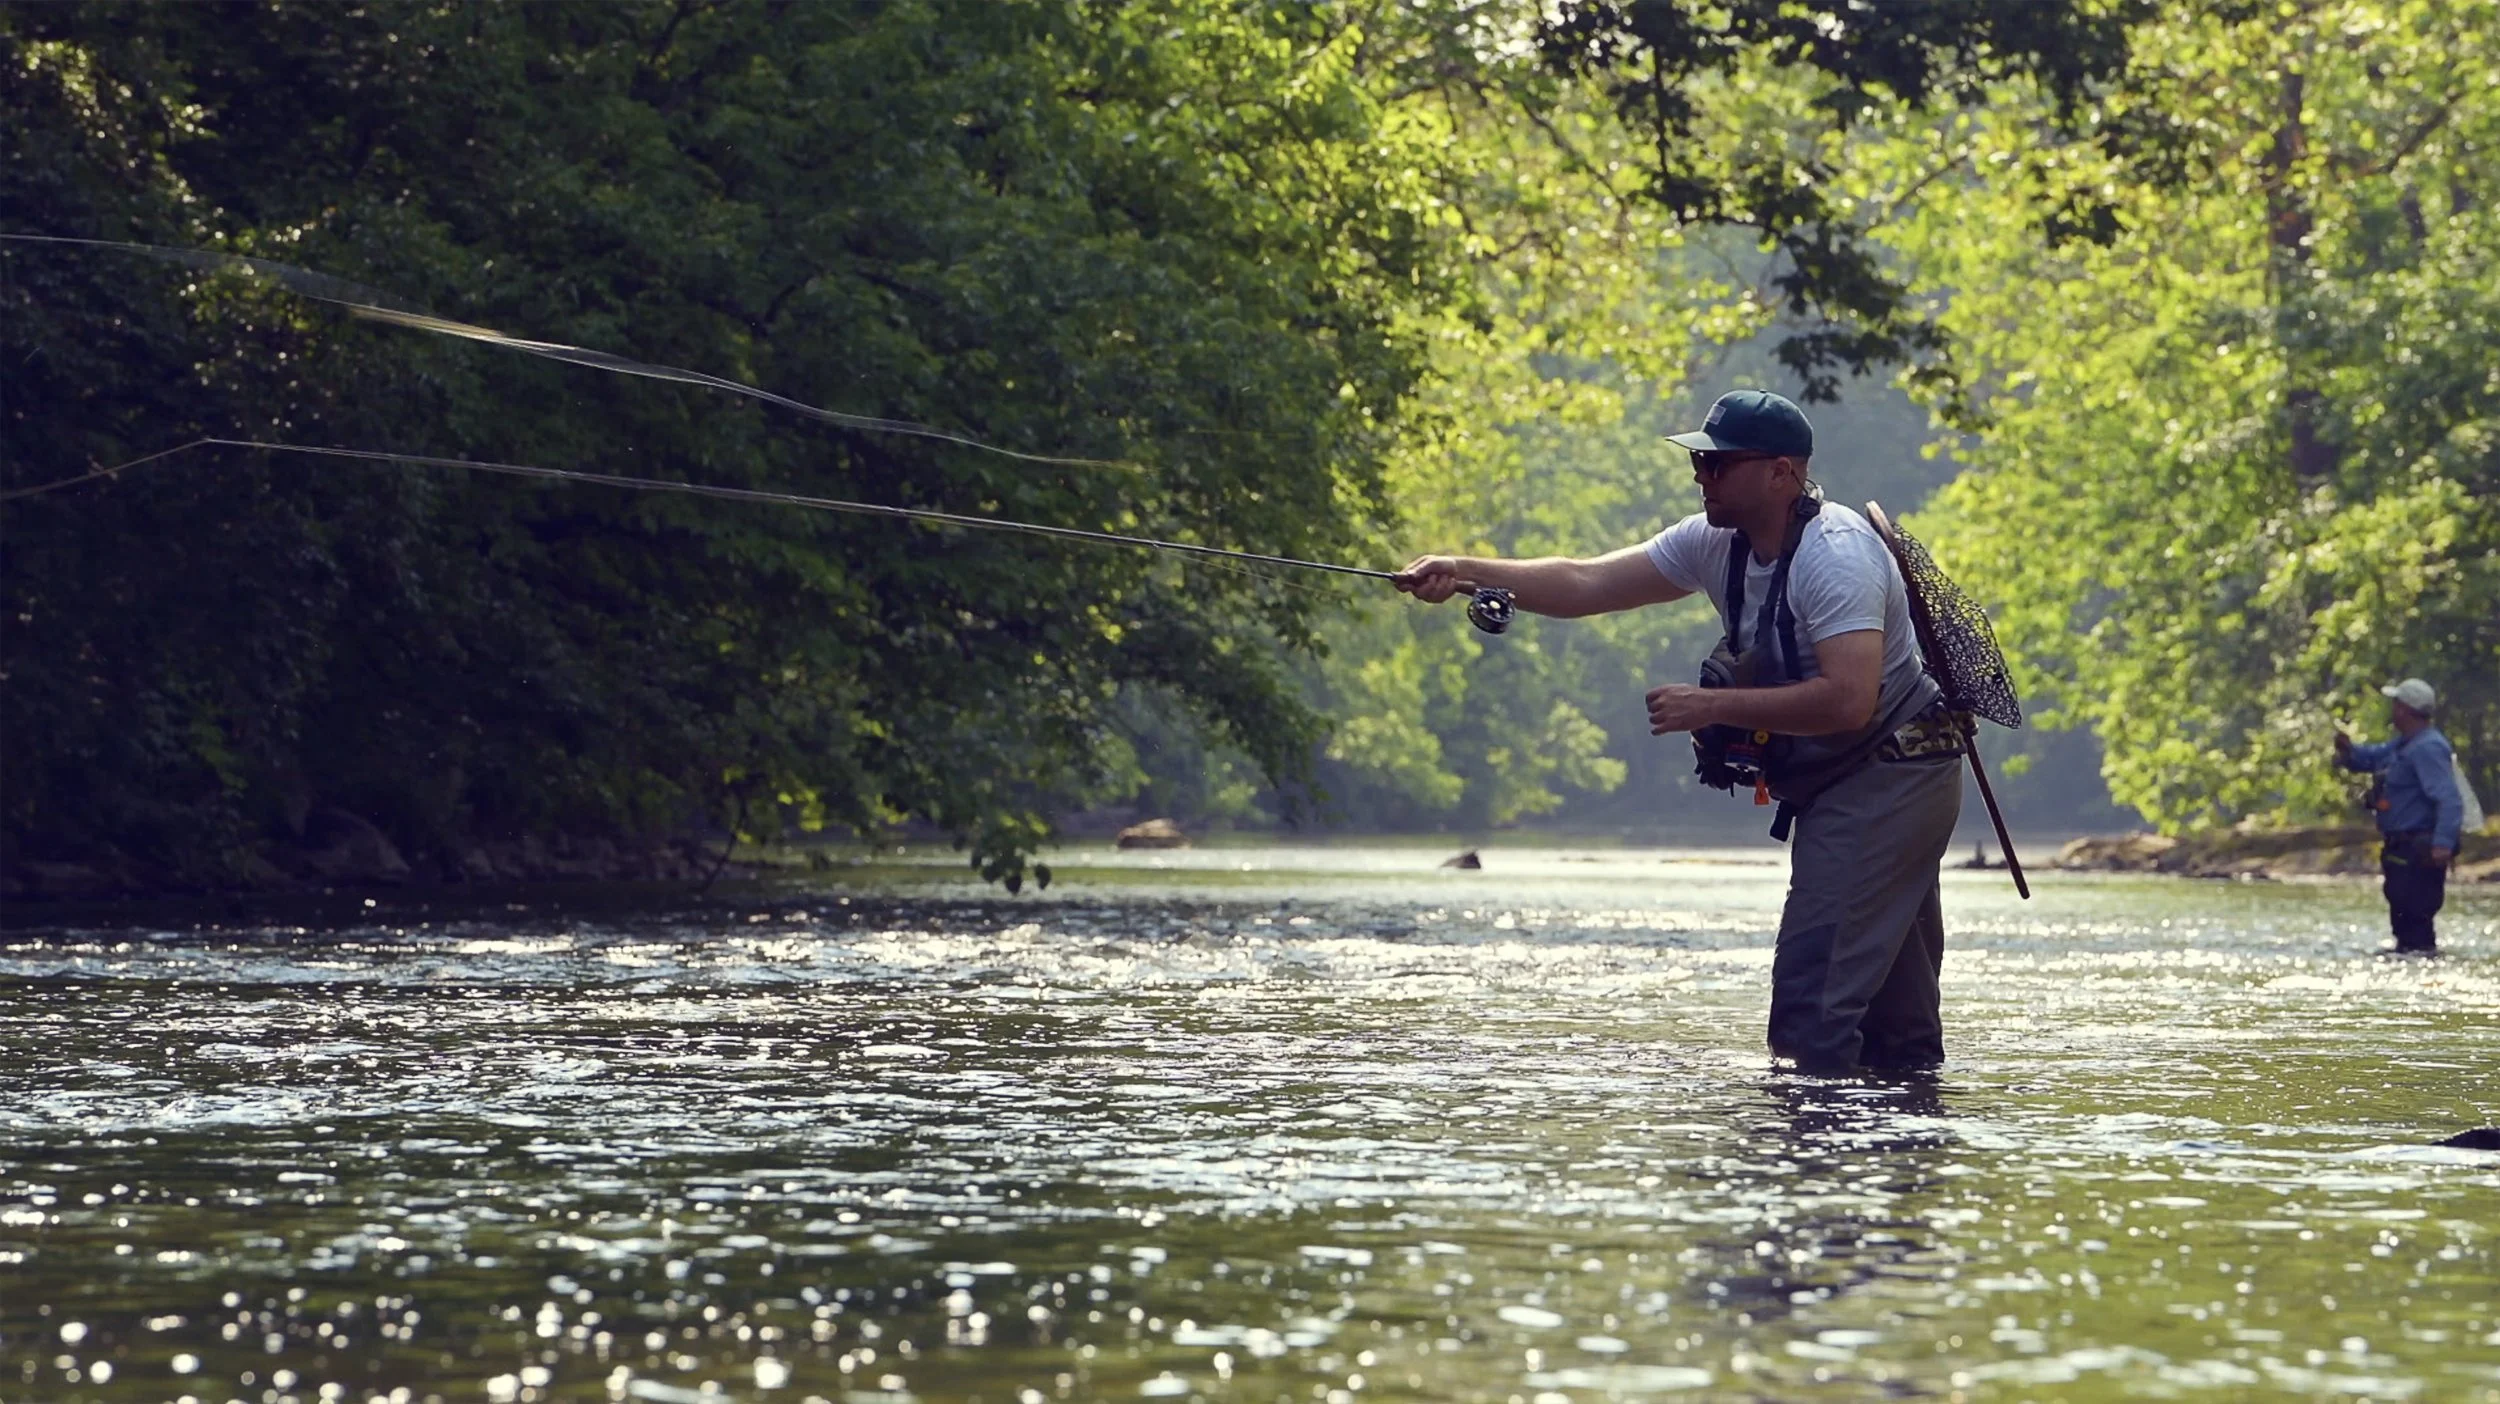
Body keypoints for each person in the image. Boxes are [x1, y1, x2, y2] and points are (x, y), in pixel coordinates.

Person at [1394, 389, 1965, 1073]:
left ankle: (1810, 1169)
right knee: (1895, 1029)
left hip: (1894, 775)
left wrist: (1713, 707)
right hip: (1847, 781)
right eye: (1700, 461)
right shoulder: (1713, 542)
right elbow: (1585, 581)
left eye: (1719, 464)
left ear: (1782, 473)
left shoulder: (1835, 555)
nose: (1702, 476)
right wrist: (1465, 571)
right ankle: (1904, 1156)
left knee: (1812, 1010)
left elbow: (1848, 701)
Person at [2335, 677, 2464, 955]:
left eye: (2396, 703)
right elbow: (2370, 758)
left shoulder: (2428, 747)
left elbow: (2449, 799)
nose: (2392, 709)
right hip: (2401, 848)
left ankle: (2423, 968)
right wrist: (2348, 751)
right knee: (2403, 916)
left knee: (2416, 918)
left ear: (2404, 709)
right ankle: (2409, 960)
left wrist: (2443, 843)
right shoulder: (2404, 745)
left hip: (2420, 850)